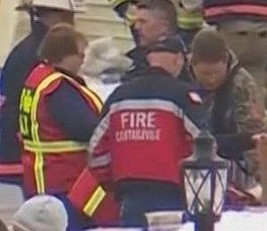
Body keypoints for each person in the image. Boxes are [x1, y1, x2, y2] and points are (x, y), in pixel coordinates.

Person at [86, 37, 208, 226]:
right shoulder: (184, 96)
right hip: (172, 195)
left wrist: (112, 182)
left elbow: (96, 152)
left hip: (130, 195)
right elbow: (203, 143)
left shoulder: (118, 96)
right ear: (179, 59)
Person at [0, 0, 85, 186]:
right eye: (68, 17)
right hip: (34, 160)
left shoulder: (28, 50)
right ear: (51, 16)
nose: (72, 23)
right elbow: (56, 105)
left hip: (24, 155)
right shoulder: (40, 55)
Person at [19, 25, 105, 201]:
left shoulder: (38, 77)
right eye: (80, 55)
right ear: (65, 55)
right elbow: (84, 128)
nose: (83, 61)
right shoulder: (58, 88)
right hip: (62, 178)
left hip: (40, 176)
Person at [188, 29, 267, 191]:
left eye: (216, 72)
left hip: (232, 165)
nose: (211, 79)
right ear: (192, 64)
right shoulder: (180, 78)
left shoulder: (243, 85)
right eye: (205, 73)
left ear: (226, 62)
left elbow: (256, 139)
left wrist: (260, 183)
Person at [121, 0, 188, 81]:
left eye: (143, 22)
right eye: (136, 22)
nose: (136, 27)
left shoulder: (176, 59)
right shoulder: (135, 56)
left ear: (165, 26)